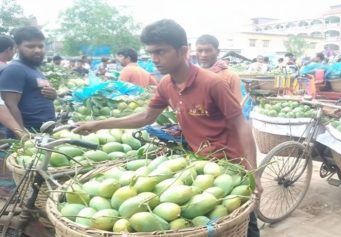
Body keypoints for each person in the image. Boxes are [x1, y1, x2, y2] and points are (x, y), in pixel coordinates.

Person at [73, 19, 261, 237]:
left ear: (183, 51)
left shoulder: (212, 83)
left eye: (160, 52)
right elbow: (145, 116)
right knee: (207, 223)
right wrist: (97, 125)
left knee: (243, 219)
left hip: (232, 163)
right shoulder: (166, 85)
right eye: (151, 52)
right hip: (198, 161)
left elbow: (241, 124)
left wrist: (253, 172)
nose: (154, 59)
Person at [0, 26, 57, 137]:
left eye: (40, 46)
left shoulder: (34, 68)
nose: (37, 50)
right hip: (28, 135)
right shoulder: (15, 69)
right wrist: (22, 135)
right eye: (30, 46)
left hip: (41, 133)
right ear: (17, 47)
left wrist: (53, 95)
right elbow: (10, 105)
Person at [195, 34, 242, 102]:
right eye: (199, 50)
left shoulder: (230, 76)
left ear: (217, 52)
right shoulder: (191, 74)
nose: (203, 55)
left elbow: (237, 106)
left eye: (208, 50)